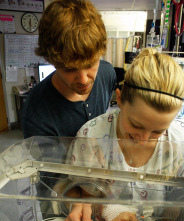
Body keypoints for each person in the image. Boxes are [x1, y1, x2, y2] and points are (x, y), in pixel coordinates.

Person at [62, 47, 184, 221]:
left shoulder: (177, 145)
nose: (143, 138)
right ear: (119, 99)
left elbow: (182, 200)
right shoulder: (93, 137)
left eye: (158, 131)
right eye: (136, 125)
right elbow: (77, 192)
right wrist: (107, 208)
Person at [21, 0, 116, 138]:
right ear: (52, 61)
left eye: (90, 64)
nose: (83, 80)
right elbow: (47, 161)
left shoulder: (107, 74)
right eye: (69, 69)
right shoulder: (36, 113)